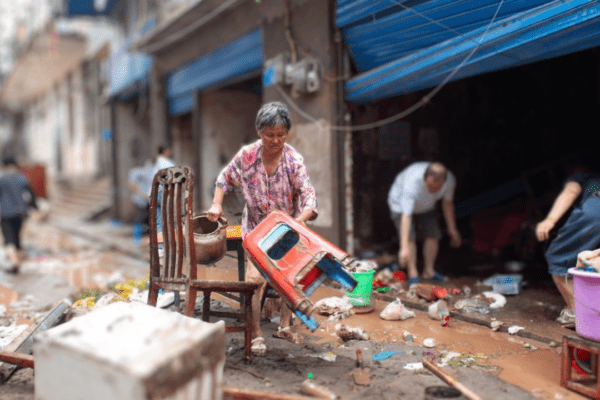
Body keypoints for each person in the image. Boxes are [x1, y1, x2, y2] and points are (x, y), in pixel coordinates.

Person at [207, 102, 318, 356]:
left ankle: (285, 325)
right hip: (255, 230)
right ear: (259, 132)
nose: (275, 140)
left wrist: (301, 218)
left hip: (285, 231)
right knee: (254, 282)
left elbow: (308, 193)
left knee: (286, 279)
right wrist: (216, 203)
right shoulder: (247, 156)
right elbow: (224, 178)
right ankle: (256, 332)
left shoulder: (293, 160)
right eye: (270, 135)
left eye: (281, 135)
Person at [535, 170, 600, 328]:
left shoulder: (585, 176)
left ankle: (576, 314)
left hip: (596, 214)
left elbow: (570, 191)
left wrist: (550, 220)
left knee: (558, 259)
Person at [387, 162, 461, 285]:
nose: (433, 190)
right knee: (409, 238)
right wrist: (403, 247)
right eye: (431, 186)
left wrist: (452, 229)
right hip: (400, 206)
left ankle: (429, 271)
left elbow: (447, 203)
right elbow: (407, 216)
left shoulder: (450, 180)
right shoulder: (412, 181)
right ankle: (413, 273)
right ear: (425, 178)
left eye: (438, 188)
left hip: (426, 206)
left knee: (433, 234)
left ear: (444, 181)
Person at [0, 155, 38, 273]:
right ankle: (18, 260)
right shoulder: (22, 177)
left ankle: (14, 263)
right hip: (20, 212)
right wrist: (34, 208)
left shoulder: (2, 179)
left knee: (8, 238)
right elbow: (31, 195)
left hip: (5, 213)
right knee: (17, 236)